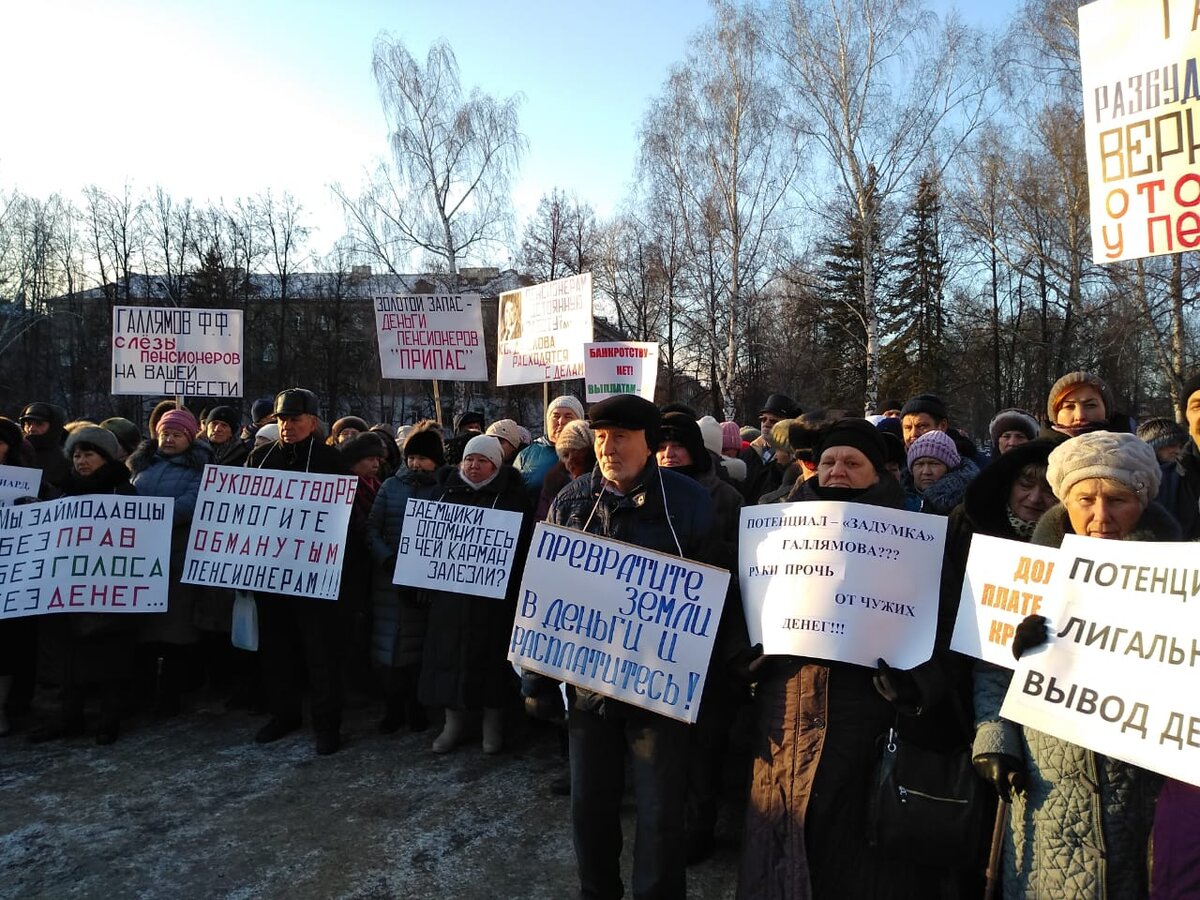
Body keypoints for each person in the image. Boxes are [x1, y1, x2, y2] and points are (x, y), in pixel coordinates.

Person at [738, 418, 971, 899]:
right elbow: (742, 605)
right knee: (782, 845)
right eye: (828, 461)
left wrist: (917, 684)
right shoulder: (774, 527)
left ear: (877, 472)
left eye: (851, 462)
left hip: (868, 722)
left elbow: (946, 627)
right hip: (787, 718)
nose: (837, 471)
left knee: (855, 862)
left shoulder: (915, 537)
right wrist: (746, 657)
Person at [973, 431, 1174, 900]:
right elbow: (989, 670)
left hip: (1141, 798)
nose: (1100, 516)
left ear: (1142, 500)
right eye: (1085, 499)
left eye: (1118, 499)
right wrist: (996, 739)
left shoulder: (1184, 581)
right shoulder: (1025, 570)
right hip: (1048, 795)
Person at [547, 395, 715, 900]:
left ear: (649, 443)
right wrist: (536, 672)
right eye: (600, 437)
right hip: (588, 686)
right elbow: (549, 588)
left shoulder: (689, 503)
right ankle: (596, 891)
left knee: (661, 809)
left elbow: (715, 588)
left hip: (657, 691)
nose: (607, 447)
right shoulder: (572, 500)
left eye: (619, 437)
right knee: (589, 807)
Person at [246, 388, 350, 756]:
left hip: (315, 578)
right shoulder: (259, 458)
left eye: (293, 418)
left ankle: (327, 724)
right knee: (276, 650)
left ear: (313, 422)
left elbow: (346, 520)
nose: (287, 425)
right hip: (270, 574)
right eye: (281, 419)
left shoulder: (331, 461)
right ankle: (284, 714)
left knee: (321, 654)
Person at [420, 434, 530, 755]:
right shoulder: (442, 495)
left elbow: (522, 549)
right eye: (469, 459)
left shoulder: (513, 499)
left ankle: (492, 727)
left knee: (491, 663)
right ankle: (452, 725)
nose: (474, 466)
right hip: (450, 600)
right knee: (449, 659)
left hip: (495, 602)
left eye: (482, 461)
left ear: (496, 465)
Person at [29, 426, 138, 745]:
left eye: (89, 454)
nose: (81, 461)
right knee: (69, 658)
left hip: (110, 590)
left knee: (109, 657)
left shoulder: (124, 492)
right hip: (68, 589)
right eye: (76, 454)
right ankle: (67, 718)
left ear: (105, 457)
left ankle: (109, 720)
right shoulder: (61, 491)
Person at [129, 407, 212, 717]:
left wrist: (152, 516)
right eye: (165, 434)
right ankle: (142, 694)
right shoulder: (142, 465)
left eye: (176, 435)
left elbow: (192, 504)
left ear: (189, 438)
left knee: (176, 633)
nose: (169, 439)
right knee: (145, 634)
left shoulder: (199, 469)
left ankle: (170, 697)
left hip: (177, 558)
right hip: (142, 559)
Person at [367, 426, 445, 734]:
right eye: (412, 457)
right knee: (387, 649)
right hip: (388, 581)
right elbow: (372, 528)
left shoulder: (441, 491)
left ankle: (417, 708)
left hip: (422, 585)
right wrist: (386, 558)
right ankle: (392, 709)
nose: (415, 464)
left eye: (423, 459)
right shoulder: (390, 486)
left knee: (418, 650)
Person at [514, 395, 586, 494]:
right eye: (556, 416)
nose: (561, 421)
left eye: (568, 416)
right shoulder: (527, 455)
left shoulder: (592, 452)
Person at [904, 429, 979, 514]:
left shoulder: (967, 505)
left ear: (950, 468)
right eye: (920, 464)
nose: (926, 471)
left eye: (934, 464)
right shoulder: (896, 497)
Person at [18, 401, 70, 489]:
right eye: (28, 424)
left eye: (39, 424)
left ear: (54, 427)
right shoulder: (13, 453)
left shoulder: (67, 459)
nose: (31, 429)